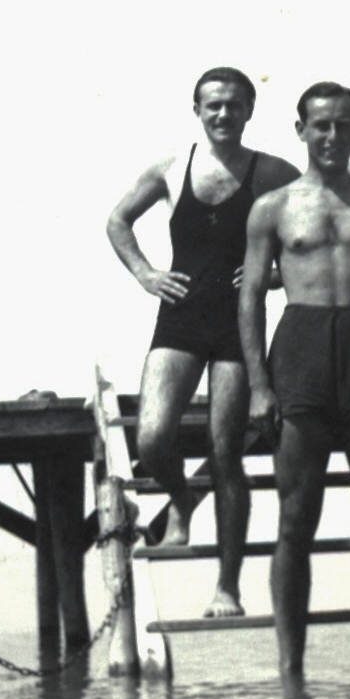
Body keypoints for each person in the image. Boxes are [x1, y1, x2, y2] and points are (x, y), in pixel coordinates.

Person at [239, 82, 350, 675]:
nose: (332, 136)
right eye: (321, 125)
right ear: (300, 131)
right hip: (301, 354)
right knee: (296, 518)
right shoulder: (273, 207)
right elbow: (249, 300)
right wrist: (261, 386)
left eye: (344, 125)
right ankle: (291, 668)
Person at [107, 67, 299, 618]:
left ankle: (228, 589)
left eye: (234, 106)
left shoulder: (271, 172)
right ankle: (183, 499)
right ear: (197, 110)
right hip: (181, 318)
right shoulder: (173, 168)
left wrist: (277, 275)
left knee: (225, 455)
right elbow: (118, 221)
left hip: (240, 325)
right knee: (151, 439)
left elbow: (311, 227)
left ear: (249, 112)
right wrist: (147, 275)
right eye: (213, 106)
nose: (223, 115)